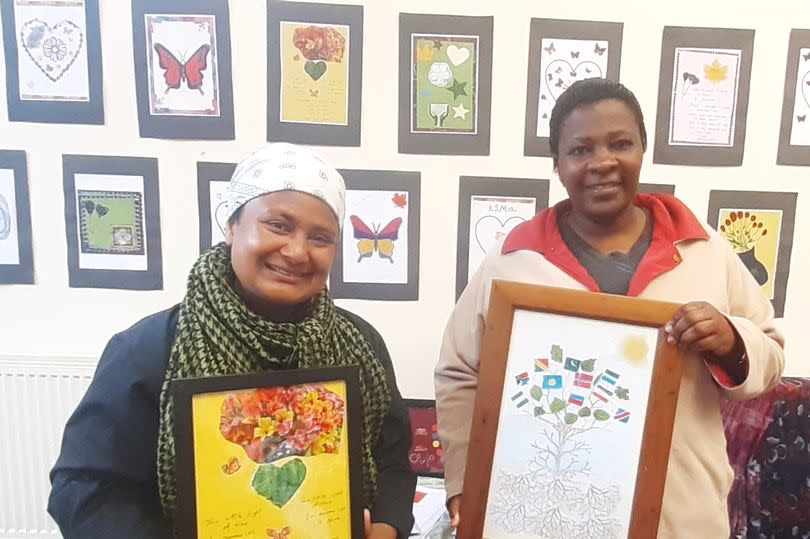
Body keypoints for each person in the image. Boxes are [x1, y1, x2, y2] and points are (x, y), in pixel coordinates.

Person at [434, 78, 784, 537]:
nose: (602, 163)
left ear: (643, 149)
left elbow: (773, 353)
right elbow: (460, 372)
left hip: (680, 517)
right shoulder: (513, 261)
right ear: (557, 164)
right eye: (580, 150)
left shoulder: (705, 250)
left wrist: (732, 341)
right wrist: (464, 481)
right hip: (550, 517)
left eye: (621, 143)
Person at [48, 143, 416, 539]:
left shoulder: (361, 346)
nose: (295, 251)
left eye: (321, 238)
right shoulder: (148, 351)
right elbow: (85, 491)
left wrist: (386, 527)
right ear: (232, 225)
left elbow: (392, 459)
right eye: (278, 225)